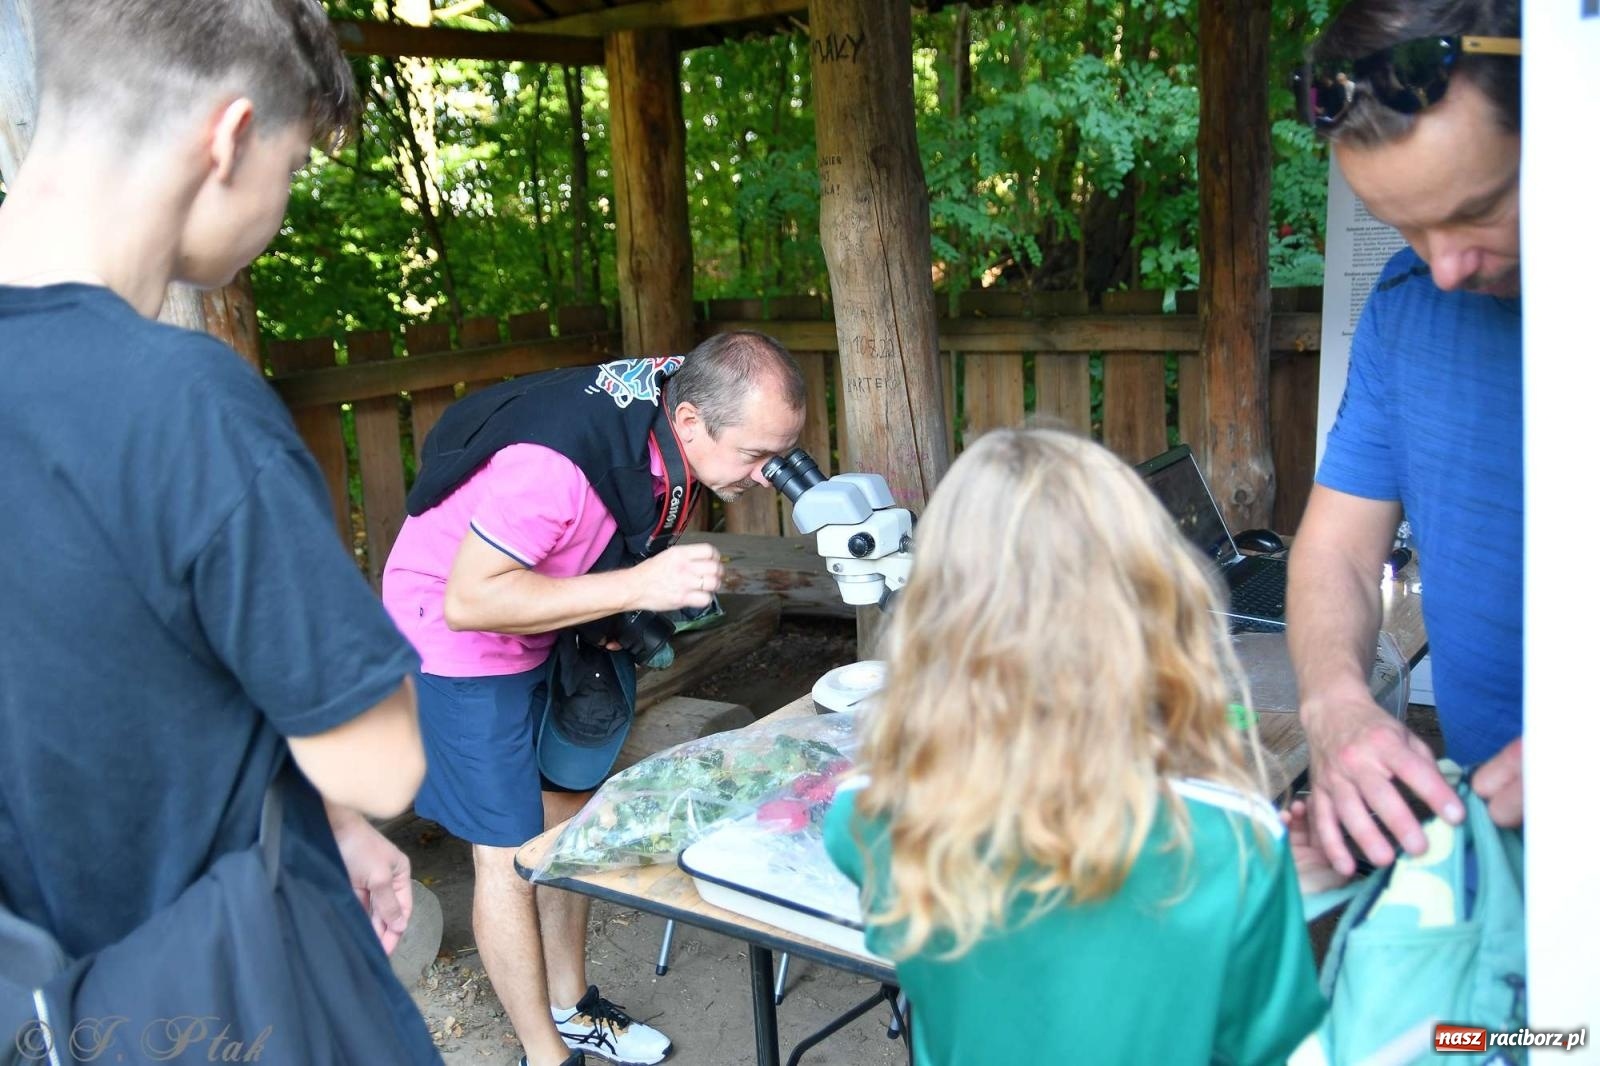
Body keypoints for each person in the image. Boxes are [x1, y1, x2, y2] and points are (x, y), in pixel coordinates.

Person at [0, 0, 438, 1062]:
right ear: (230, 137)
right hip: (227, 999)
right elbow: (380, 761)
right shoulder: (180, 404)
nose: (278, 205)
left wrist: (328, 822)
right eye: (290, 168)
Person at [823, 428, 1324, 1066]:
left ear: (936, 615)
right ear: (1148, 604)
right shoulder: (1234, 843)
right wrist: (1283, 897)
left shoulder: (866, 814)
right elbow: (1272, 1046)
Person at [382, 333, 806, 1066]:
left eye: (782, 454)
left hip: (554, 607)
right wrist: (637, 587)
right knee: (510, 855)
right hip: (457, 631)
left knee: (565, 823)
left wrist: (613, 603)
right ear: (693, 424)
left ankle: (572, 1007)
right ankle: (546, 1054)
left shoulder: (682, 389)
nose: (768, 476)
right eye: (754, 456)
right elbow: (470, 600)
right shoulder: (551, 473)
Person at [1286, 0, 1524, 879]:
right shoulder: (1405, 305)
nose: (1445, 266)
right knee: (1476, 1034)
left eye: (1479, 210)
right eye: (1408, 227)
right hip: (1504, 871)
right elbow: (1338, 553)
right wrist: (1337, 702)